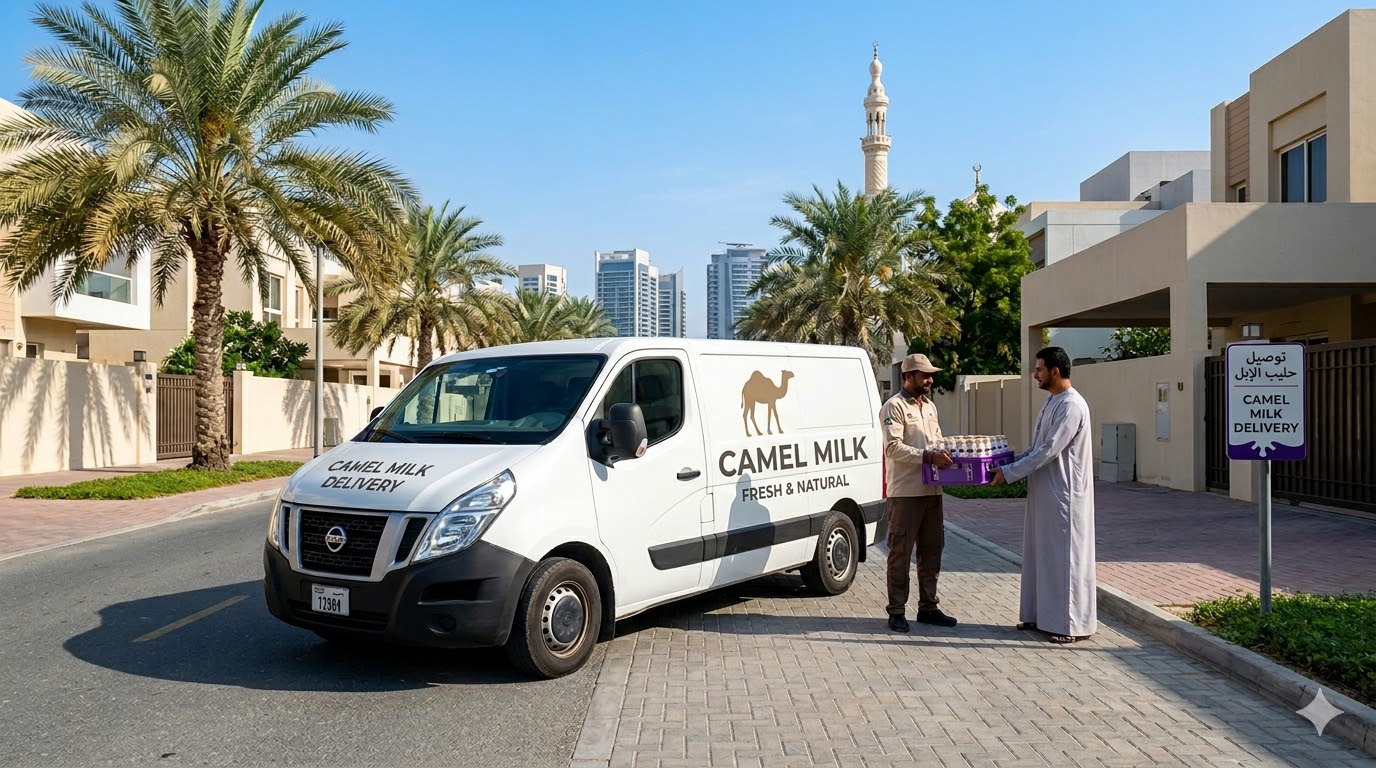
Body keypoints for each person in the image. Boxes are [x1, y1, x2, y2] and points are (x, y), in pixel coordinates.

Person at [991, 346, 1096, 644]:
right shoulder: (1052, 402)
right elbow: (1037, 447)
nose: (1035, 374)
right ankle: (1039, 616)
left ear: (1055, 371)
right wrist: (1006, 462)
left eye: (1039, 369)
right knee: (1041, 555)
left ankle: (1070, 625)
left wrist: (1010, 473)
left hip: (1065, 495)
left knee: (1066, 560)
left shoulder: (1072, 405)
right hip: (1044, 493)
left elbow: (1050, 450)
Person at [880, 353, 957, 633]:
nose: (929, 379)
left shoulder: (930, 407)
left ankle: (928, 607)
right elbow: (892, 448)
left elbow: (936, 443)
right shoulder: (894, 407)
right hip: (906, 493)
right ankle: (897, 611)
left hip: (933, 491)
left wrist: (951, 455)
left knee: (932, 551)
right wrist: (928, 457)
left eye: (930, 374)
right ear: (907, 376)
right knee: (900, 552)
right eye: (924, 375)